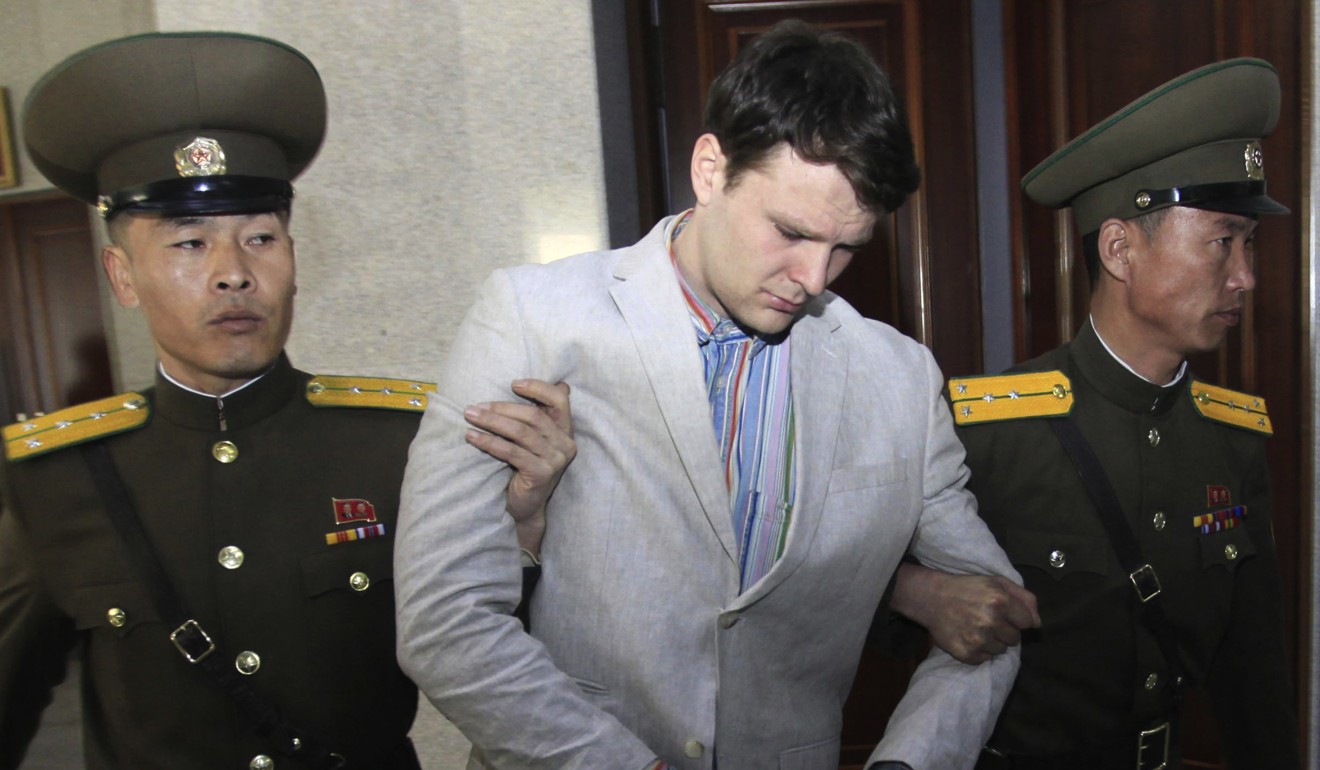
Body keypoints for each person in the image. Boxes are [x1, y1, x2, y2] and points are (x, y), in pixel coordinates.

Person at [394, 20, 1023, 770]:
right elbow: (446, 618)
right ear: (709, 169)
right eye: (790, 230)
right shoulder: (534, 319)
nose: (816, 279)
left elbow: (996, 614)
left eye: (847, 246)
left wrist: (906, 763)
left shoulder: (900, 376)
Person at [0, 32, 574, 770]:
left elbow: (503, 660)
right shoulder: (58, 476)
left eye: (261, 237)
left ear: (294, 261)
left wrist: (525, 530)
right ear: (122, 276)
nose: (234, 274)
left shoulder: (397, 442)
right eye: (188, 244)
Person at [903, 58, 1300, 769]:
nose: (1245, 275)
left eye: (1249, 244)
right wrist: (918, 592)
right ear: (1120, 248)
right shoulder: (987, 432)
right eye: (1221, 242)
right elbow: (842, 603)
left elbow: (1254, 678)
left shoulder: (1232, 439)